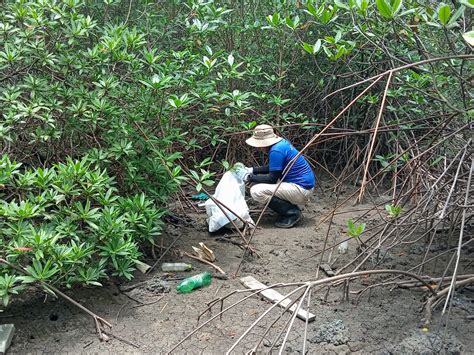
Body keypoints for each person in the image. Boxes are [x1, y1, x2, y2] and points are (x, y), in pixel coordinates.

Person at [235, 124, 315, 228]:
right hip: (303, 186)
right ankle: (290, 208)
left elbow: (272, 179)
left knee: (256, 191)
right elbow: (274, 167)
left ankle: (292, 213)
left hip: (301, 189)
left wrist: (248, 177)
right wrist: (252, 170)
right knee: (266, 185)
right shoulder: (281, 144)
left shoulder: (276, 150)